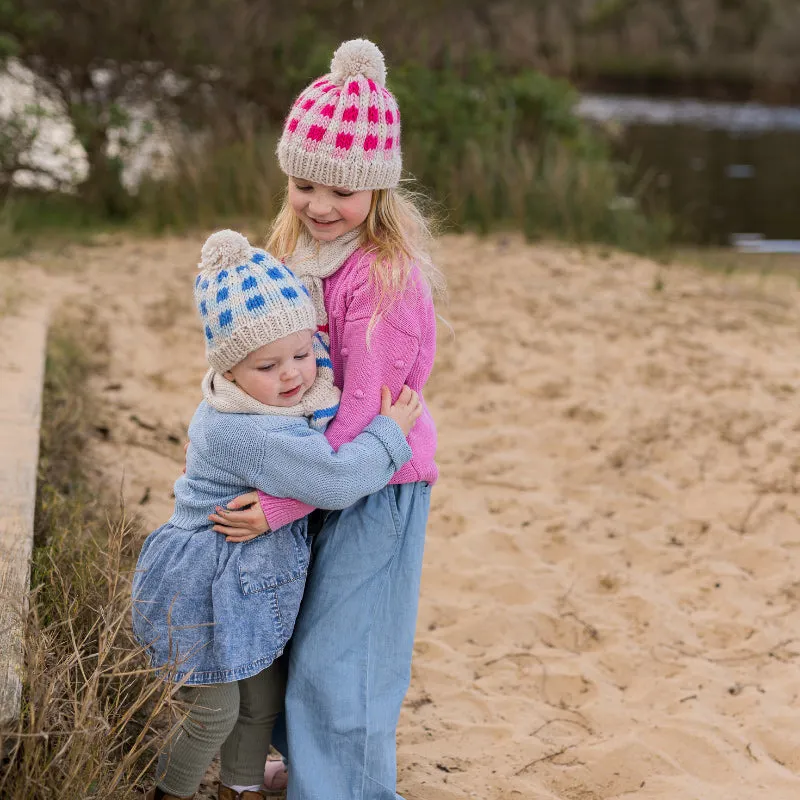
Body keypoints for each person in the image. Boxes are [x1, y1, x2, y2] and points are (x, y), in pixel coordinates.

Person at [207, 38, 443, 800]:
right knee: (298, 635)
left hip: (376, 475)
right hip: (320, 472)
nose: (319, 204)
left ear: (377, 188)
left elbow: (368, 414)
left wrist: (281, 503)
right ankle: (312, 768)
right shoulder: (297, 249)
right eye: (305, 182)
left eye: (341, 190)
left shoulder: (383, 279)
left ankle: (348, 788)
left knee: (347, 656)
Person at [132, 228, 422, 800]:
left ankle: (238, 787)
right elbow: (335, 478)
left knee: (260, 703)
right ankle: (171, 792)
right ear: (231, 370)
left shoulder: (274, 397)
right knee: (214, 711)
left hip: (246, 583)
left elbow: (326, 410)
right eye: (269, 365)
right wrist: (390, 436)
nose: (292, 374)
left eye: (301, 353)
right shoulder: (248, 429)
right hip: (202, 591)